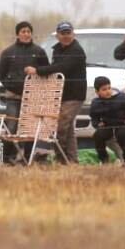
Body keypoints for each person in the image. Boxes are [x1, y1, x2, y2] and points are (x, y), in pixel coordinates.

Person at [34, 21, 87, 163]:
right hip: (61, 94)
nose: (65, 36)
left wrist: (38, 70)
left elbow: (62, 68)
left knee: (61, 126)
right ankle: (71, 160)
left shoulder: (77, 50)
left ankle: (60, 158)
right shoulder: (57, 50)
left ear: (73, 34)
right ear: (57, 35)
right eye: (63, 33)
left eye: (68, 33)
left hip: (74, 95)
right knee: (68, 129)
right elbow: (54, 67)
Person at [0, 21, 50, 163]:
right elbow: (0, 74)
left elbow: (47, 71)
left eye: (28, 31)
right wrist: (11, 85)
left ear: (31, 34)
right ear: (17, 34)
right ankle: (7, 158)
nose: (26, 34)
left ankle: (27, 158)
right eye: (23, 31)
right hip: (13, 96)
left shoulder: (39, 52)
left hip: (32, 97)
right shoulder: (8, 52)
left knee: (30, 128)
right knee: (11, 127)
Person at [89, 76, 125, 164]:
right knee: (98, 136)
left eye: (109, 88)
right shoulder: (96, 102)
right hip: (108, 125)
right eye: (104, 89)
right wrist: (97, 123)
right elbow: (94, 116)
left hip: (123, 124)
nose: (107, 91)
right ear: (97, 92)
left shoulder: (122, 97)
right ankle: (104, 160)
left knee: (123, 135)